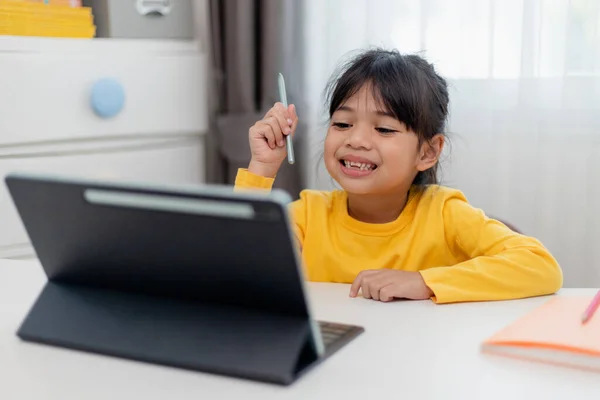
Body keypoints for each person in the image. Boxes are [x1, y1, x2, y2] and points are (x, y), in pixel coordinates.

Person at [234, 48, 563, 304]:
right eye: (342, 124)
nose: (356, 140)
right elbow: (236, 270)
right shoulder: (307, 215)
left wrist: (424, 282)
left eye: (384, 128)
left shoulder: (445, 214)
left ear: (427, 152)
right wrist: (262, 167)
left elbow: (540, 266)